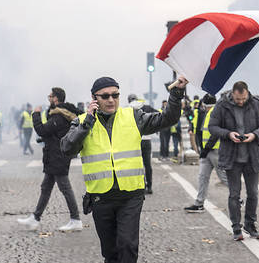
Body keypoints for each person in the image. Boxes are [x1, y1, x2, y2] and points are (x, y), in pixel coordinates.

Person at [62, 76, 186, 263]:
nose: (111, 100)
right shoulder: (81, 121)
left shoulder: (133, 116)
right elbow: (67, 148)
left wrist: (176, 94)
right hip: (100, 196)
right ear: (94, 99)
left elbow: (167, 118)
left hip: (130, 195)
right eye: (105, 96)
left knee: (128, 246)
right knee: (111, 253)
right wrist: (87, 122)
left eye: (115, 95)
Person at [209, 81, 259, 241]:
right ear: (233, 94)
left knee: (253, 194)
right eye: (238, 99)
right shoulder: (222, 105)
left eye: (243, 99)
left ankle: (250, 224)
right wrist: (228, 134)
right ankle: (236, 227)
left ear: (247, 93)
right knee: (234, 194)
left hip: (252, 156)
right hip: (231, 157)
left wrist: (254, 135)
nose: (241, 102)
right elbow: (212, 127)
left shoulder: (256, 104)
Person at [18, 87, 83, 231]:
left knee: (65, 188)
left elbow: (42, 129)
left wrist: (35, 114)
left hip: (58, 156)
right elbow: (51, 133)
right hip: (53, 155)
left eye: (50, 96)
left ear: (56, 98)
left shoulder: (59, 116)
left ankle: (76, 219)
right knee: (46, 187)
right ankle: (35, 217)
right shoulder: (58, 114)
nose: (48, 98)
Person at [184, 94, 229, 213]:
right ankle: (199, 203)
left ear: (204, 104)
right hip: (207, 151)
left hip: (215, 150)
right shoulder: (209, 113)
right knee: (203, 177)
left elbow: (215, 133)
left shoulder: (215, 112)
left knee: (224, 177)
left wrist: (206, 148)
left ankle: (238, 198)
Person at [128, 94, 158, 194]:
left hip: (135, 140)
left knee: (138, 165)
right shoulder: (146, 107)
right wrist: (152, 128)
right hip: (147, 140)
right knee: (147, 164)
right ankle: (149, 187)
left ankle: (142, 186)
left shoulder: (127, 110)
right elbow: (158, 115)